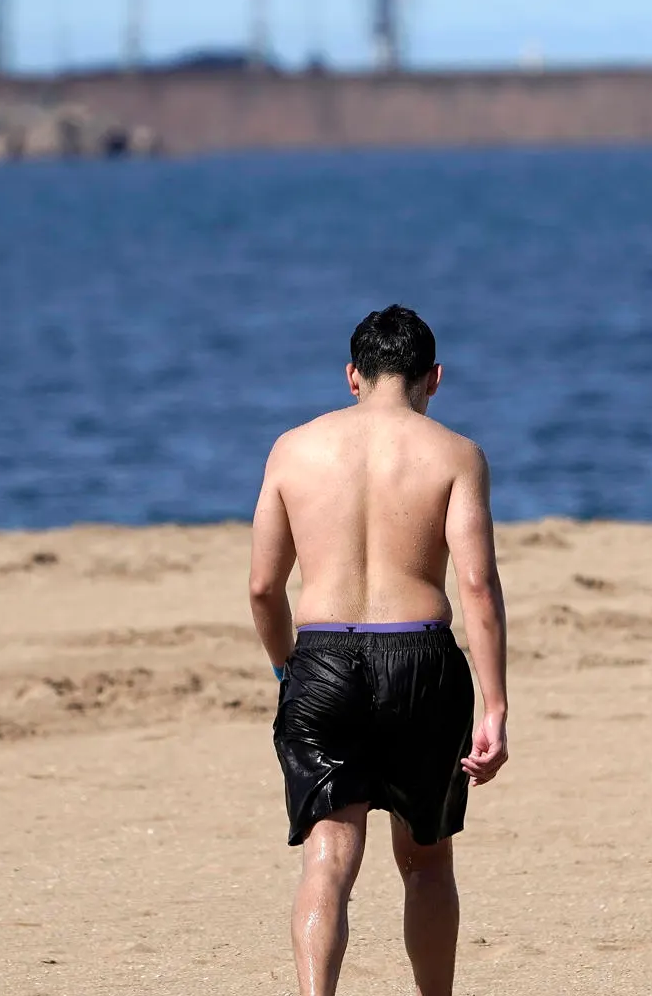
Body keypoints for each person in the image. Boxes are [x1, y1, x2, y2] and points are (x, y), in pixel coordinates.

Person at [249, 304, 510, 996]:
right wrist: (496, 705)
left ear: (352, 376)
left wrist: (287, 669)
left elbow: (261, 588)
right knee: (426, 862)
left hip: (322, 657)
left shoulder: (292, 449)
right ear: (434, 378)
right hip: (420, 659)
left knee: (328, 858)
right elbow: (478, 585)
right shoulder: (456, 454)